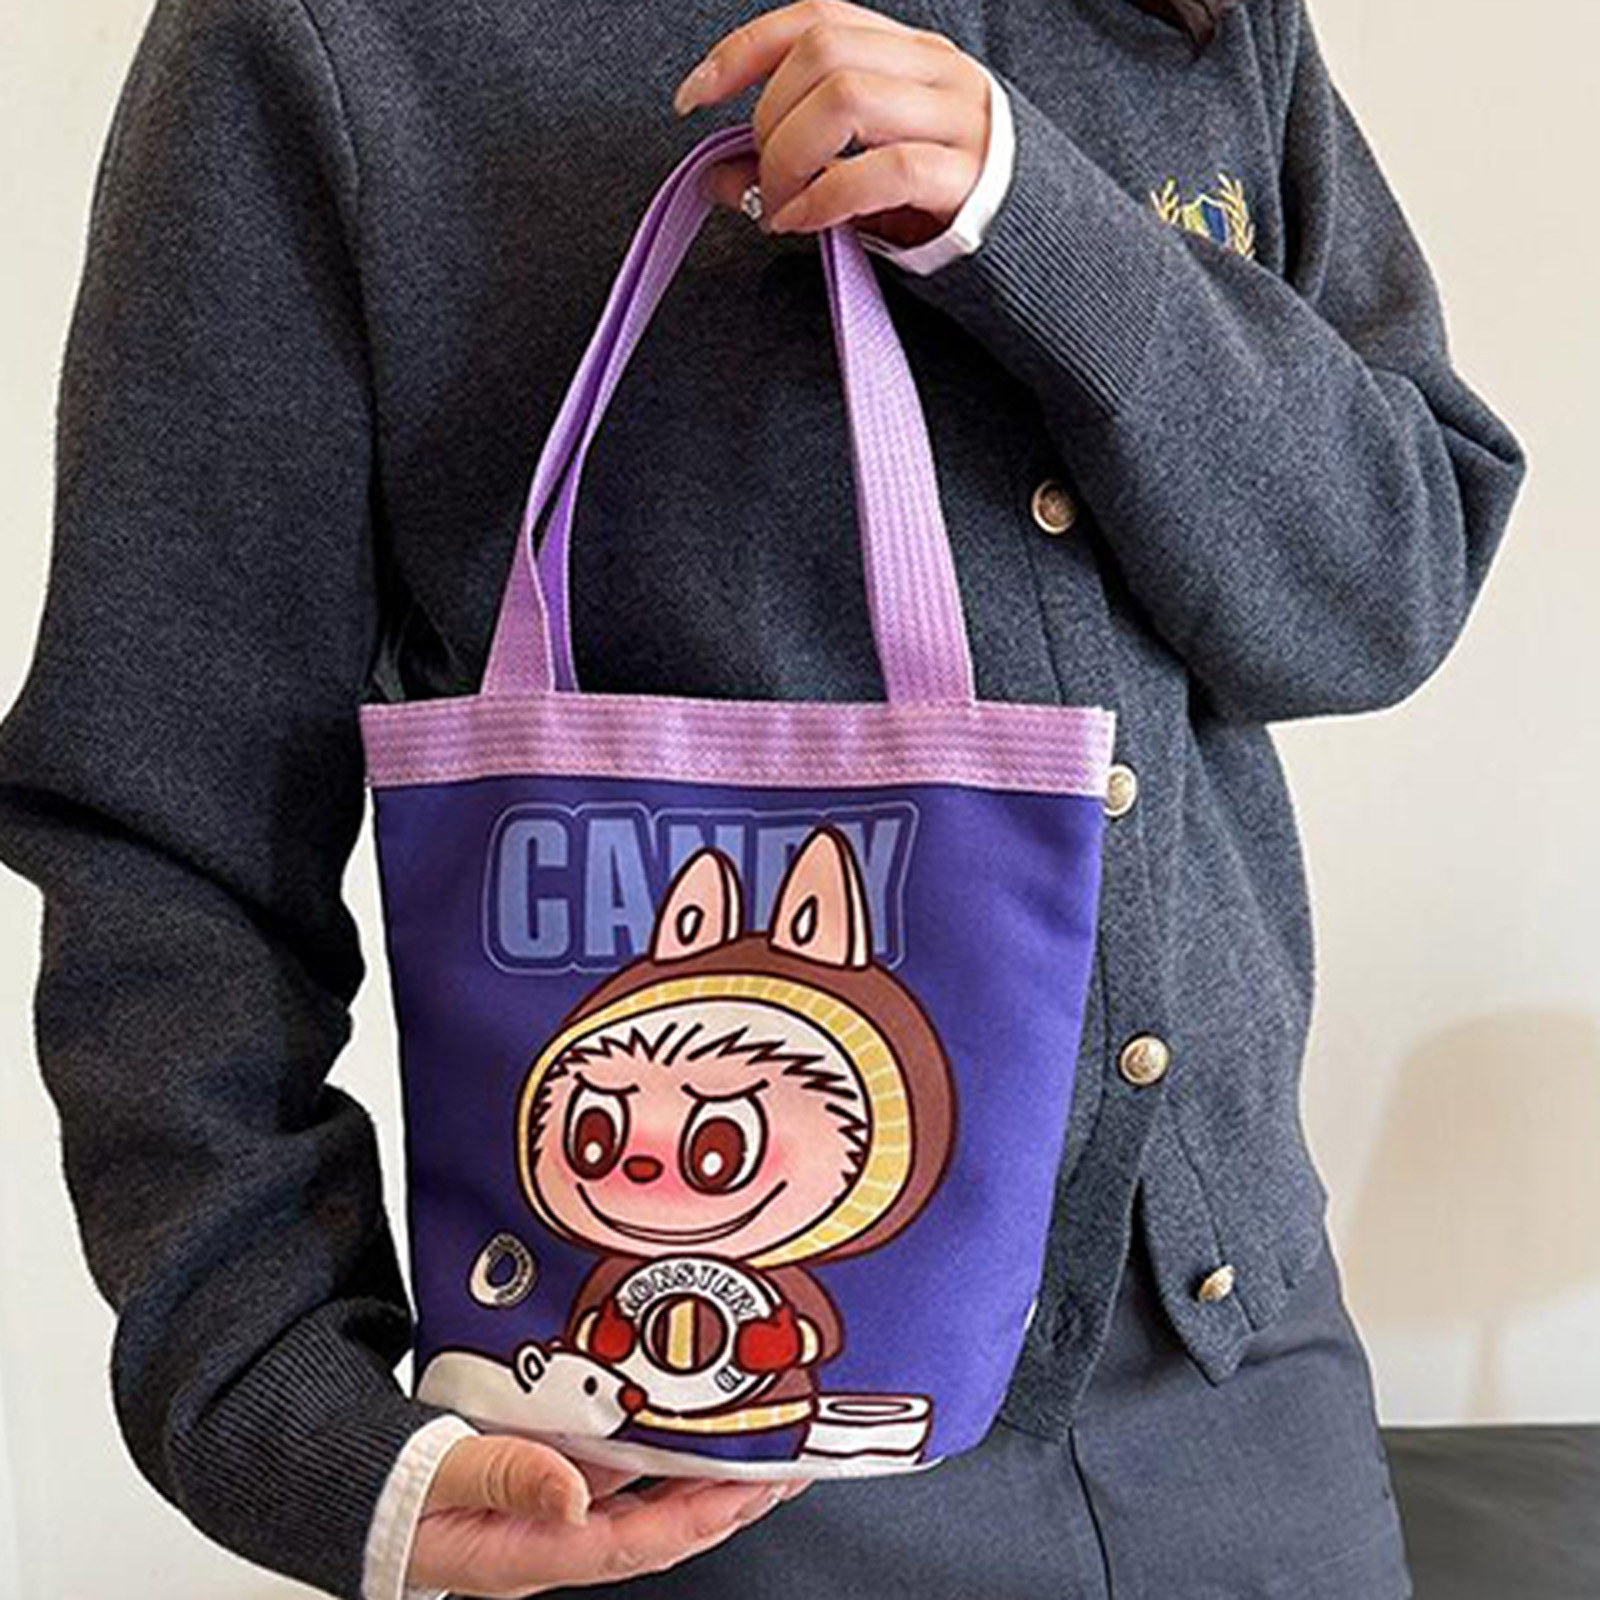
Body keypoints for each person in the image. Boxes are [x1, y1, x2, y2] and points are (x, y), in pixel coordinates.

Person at [0, 0, 1527, 1596]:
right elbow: (161, 808)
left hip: (1243, 1388)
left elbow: (1387, 590)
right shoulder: (334, 40)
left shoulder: (1191, 21)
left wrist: (1036, 222)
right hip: (682, 1461)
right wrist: (292, 1406)